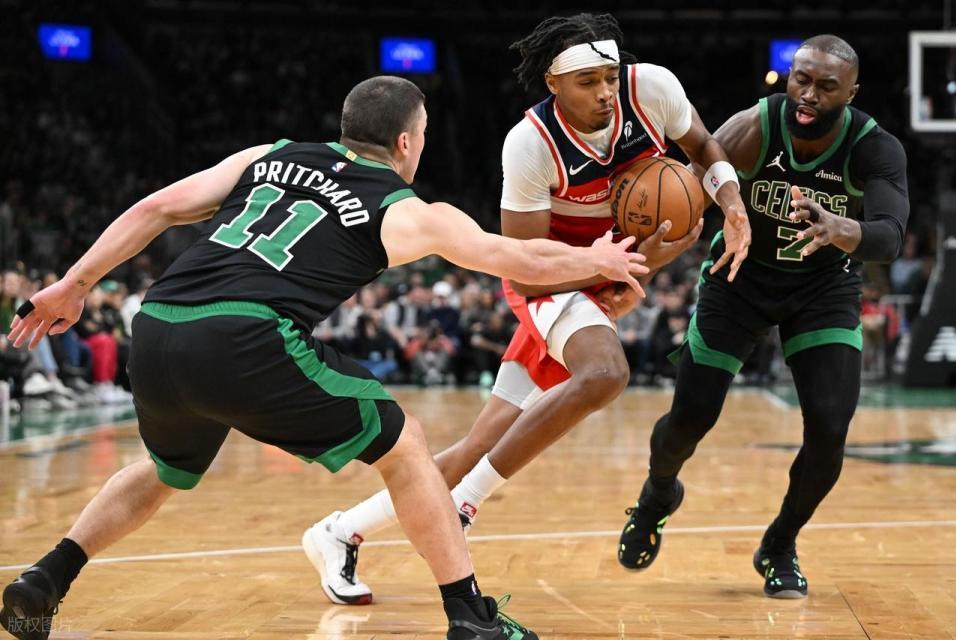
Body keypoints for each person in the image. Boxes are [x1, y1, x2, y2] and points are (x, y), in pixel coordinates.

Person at [1, 75, 650, 640]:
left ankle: (47, 577)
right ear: (406, 142)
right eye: (424, 134)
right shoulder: (400, 206)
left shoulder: (270, 155)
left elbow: (158, 207)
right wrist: (594, 259)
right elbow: (512, 256)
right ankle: (470, 616)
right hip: (247, 336)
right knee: (405, 446)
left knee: (166, 468)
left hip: (161, 324)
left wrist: (75, 284)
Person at [304, 12, 751, 605]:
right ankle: (466, 504)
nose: (605, 92)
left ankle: (341, 531)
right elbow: (523, 268)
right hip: (549, 275)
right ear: (553, 83)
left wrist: (729, 203)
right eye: (587, 82)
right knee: (606, 372)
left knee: (478, 445)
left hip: (609, 268)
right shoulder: (530, 144)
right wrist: (615, 270)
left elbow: (704, 145)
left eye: (609, 77)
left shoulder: (652, 89)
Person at [617, 35, 909, 598]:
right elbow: (688, 194)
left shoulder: (875, 148)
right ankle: (658, 494)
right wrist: (646, 259)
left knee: (830, 428)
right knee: (690, 418)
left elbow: (890, 237)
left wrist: (839, 228)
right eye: (802, 79)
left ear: (851, 93)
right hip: (739, 277)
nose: (809, 94)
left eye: (827, 86)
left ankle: (779, 543)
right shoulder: (754, 126)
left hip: (823, 287)